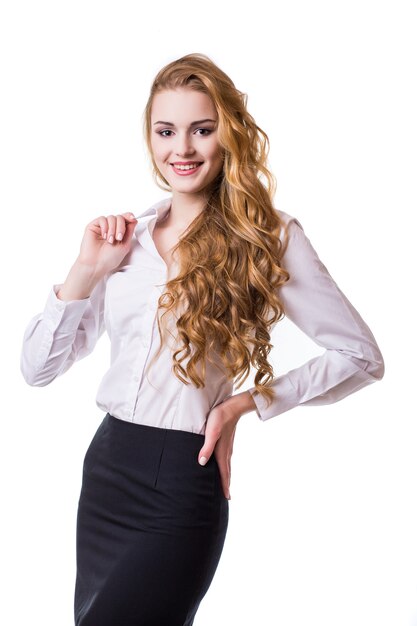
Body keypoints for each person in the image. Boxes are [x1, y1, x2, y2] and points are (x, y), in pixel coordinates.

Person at [20, 52, 385, 626]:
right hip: (109, 468)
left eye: (201, 129)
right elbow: (36, 370)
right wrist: (84, 271)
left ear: (228, 135)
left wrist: (248, 402)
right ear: (150, 137)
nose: (182, 149)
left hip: (183, 480)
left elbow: (361, 356)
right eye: (166, 131)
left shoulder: (268, 236)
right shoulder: (125, 239)